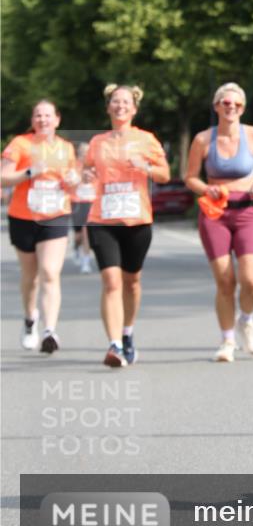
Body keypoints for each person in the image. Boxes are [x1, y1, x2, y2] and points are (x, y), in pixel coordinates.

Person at [84, 84, 170, 367]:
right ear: (108, 107)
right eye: (115, 101)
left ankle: (127, 332)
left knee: (131, 282)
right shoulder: (97, 142)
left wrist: (145, 167)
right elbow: (87, 171)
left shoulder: (146, 139)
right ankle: (114, 346)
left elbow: (164, 175)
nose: (120, 106)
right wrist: (86, 175)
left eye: (125, 102)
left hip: (137, 219)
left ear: (134, 109)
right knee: (111, 282)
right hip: (102, 219)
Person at [183, 83, 253, 362]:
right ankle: (227, 341)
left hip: (248, 212)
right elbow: (190, 177)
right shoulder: (203, 139)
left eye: (237, 104)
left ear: (243, 108)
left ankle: (247, 321)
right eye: (226, 103)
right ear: (216, 106)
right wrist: (206, 189)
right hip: (215, 215)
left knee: (252, 281)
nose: (231, 107)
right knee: (225, 281)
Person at [1, 99, 77, 354]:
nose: (43, 120)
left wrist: (73, 180)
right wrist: (29, 172)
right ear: (32, 120)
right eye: (38, 116)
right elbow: (3, 177)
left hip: (55, 215)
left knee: (50, 272)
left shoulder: (66, 148)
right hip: (23, 217)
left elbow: (73, 180)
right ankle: (29, 319)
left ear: (57, 119)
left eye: (47, 115)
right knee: (30, 276)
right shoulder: (20, 144)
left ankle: (49, 331)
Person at [70, 141, 96, 274]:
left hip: (92, 202)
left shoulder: (95, 165)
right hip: (77, 202)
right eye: (83, 151)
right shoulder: (74, 166)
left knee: (86, 232)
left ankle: (86, 262)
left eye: (88, 151)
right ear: (78, 152)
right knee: (78, 235)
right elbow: (70, 183)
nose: (85, 154)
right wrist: (81, 177)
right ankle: (76, 247)